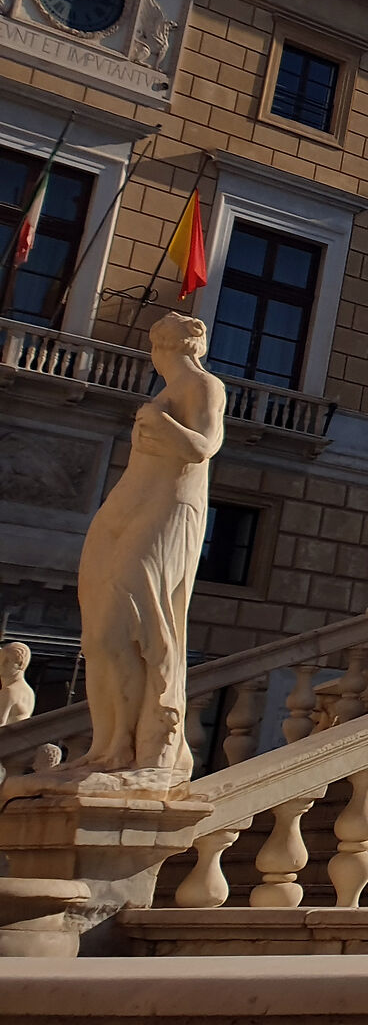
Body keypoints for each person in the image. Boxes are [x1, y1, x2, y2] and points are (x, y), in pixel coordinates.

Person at [77, 313, 225, 781]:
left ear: (162, 348)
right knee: (97, 636)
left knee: (126, 626)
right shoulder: (163, 395)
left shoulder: (204, 387)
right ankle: (112, 746)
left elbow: (205, 446)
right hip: (126, 508)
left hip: (168, 510)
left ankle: (149, 744)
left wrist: (160, 423)